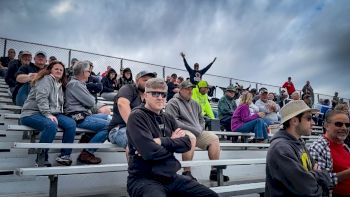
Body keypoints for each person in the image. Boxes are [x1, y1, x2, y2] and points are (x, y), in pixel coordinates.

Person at [127, 78, 218, 197]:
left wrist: (160, 141)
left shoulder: (168, 118)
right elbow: (149, 152)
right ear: (145, 95)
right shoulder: (137, 116)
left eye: (163, 94)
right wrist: (173, 143)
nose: (160, 97)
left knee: (211, 195)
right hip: (144, 179)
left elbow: (187, 144)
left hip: (171, 177)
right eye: (155, 93)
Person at [166, 80, 229, 182]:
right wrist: (193, 129)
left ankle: (214, 171)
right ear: (180, 90)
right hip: (179, 132)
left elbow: (201, 119)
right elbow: (173, 122)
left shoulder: (195, 104)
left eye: (191, 89)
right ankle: (187, 172)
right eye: (187, 89)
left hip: (196, 131)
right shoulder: (173, 102)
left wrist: (200, 128)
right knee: (190, 137)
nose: (190, 91)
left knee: (214, 138)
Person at [265, 100, 332, 196]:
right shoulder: (280, 148)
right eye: (309, 118)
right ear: (294, 121)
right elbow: (307, 190)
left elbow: (323, 176)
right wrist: (319, 177)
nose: (313, 123)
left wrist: (313, 175)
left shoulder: (299, 142)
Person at [20, 61, 76, 167]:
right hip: (31, 113)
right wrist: (47, 114)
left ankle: (64, 156)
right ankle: (41, 158)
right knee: (51, 125)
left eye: (61, 70)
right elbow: (41, 98)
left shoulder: (59, 84)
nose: (59, 71)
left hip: (51, 112)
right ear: (50, 70)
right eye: (56, 69)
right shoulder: (45, 79)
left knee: (71, 123)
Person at [65, 61, 109, 164]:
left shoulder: (79, 83)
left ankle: (86, 140)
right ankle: (87, 153)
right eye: (88, 71)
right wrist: (90, 99)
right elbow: (91, 102)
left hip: (84, 114)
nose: (90, 73)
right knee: (109, 126)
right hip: (78, 116)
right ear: (82, 72)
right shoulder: (75, 84)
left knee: (107, 116)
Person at [108, 70, 156, 150]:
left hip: (140, 130)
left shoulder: (148, 97)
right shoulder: (128, 88)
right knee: (138, 141)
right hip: (119, 129)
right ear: (137, 81)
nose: (148, 83)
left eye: (151, 81)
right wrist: (137, 127)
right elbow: (122, 104)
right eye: (145, 80)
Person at [309, 110, 350, 196]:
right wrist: (347, 174)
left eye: (347, 125)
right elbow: (318, 183)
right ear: (326, 125)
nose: (344, 128)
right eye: (338, 124)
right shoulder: (318, 148)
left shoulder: (345, 147)